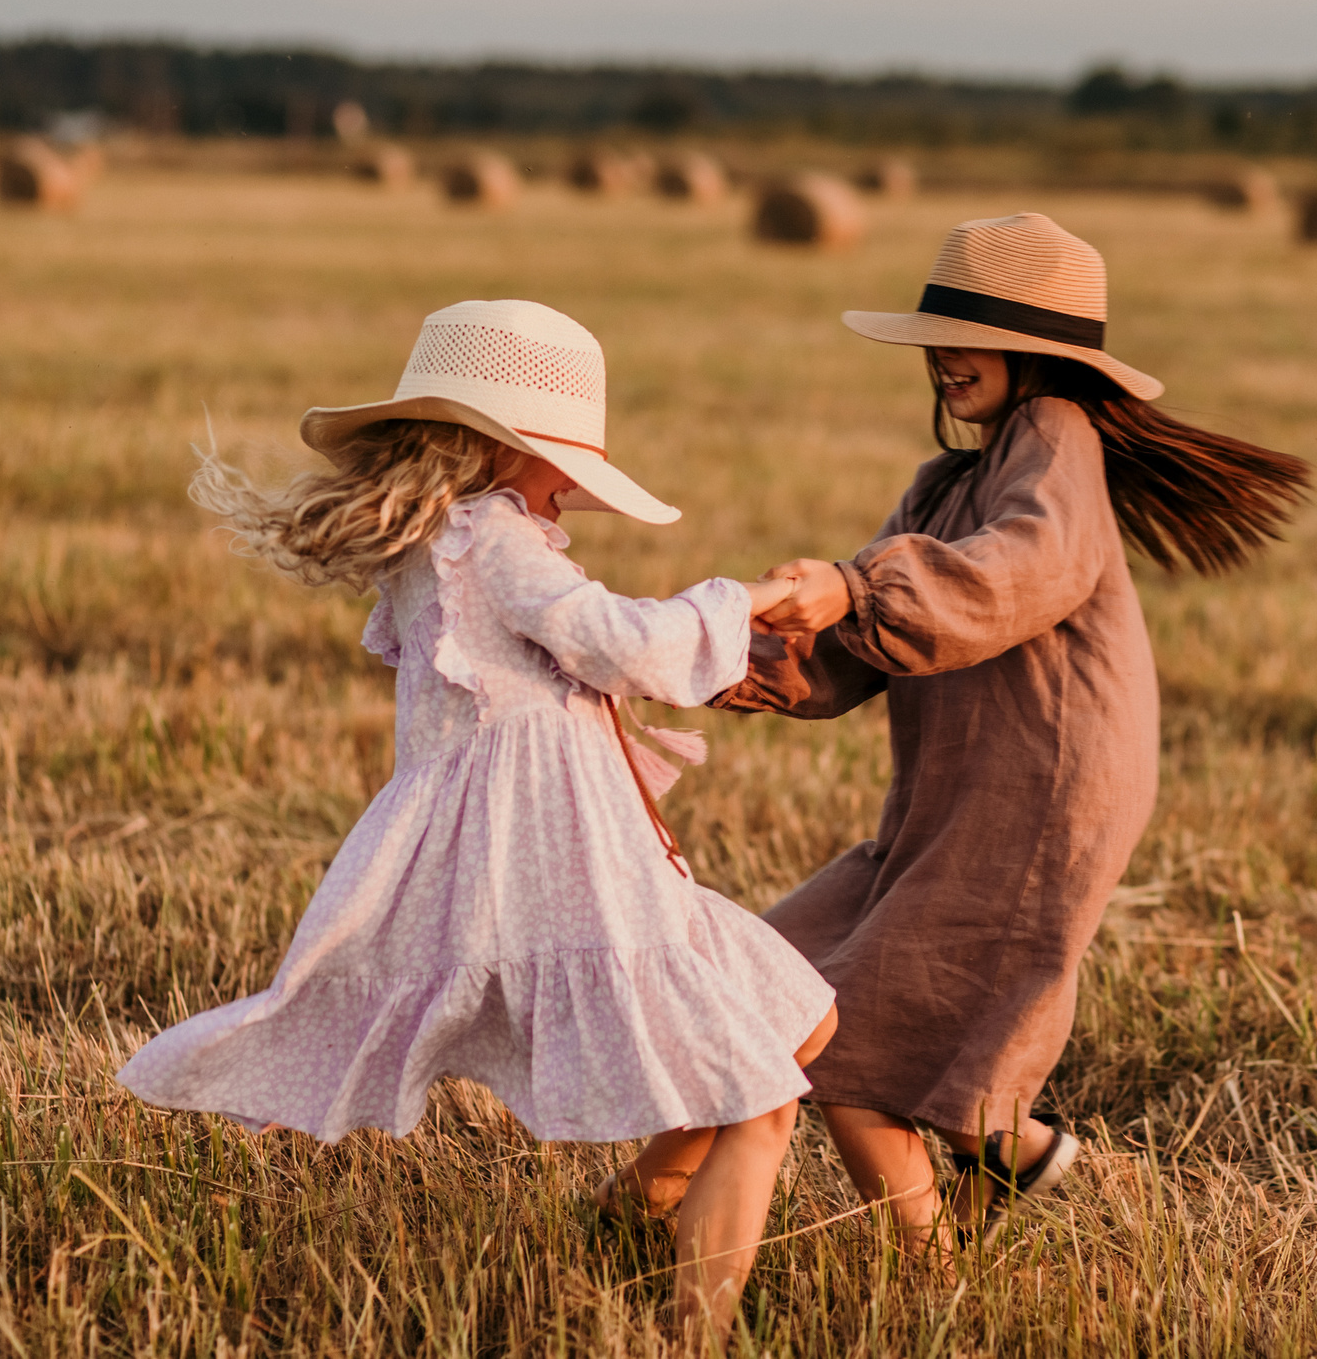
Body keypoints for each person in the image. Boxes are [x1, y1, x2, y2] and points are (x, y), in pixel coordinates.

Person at [116, 298, 838, 1340]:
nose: (570, 484)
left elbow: (546, 663)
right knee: (757, 1093)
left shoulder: (446, 541)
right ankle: (694, 1332)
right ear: (503, 448)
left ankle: (627, 1223)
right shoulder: (490, 537)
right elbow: (616, 643)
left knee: (792, 1023)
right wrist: (748, 598)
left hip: (543, 851)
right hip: (562, 858)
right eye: (558, 459)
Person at [720, 212, 1309, 1247]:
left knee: (855, 1053)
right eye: (934, 339)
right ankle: (1010, 1151)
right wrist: (766, 669)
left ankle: (932, 1281)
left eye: (968, 337)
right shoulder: (945, 484)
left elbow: (1014, 576)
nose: (944, 358)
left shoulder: (1056, 442)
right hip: (950, 805)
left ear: (1038, 355)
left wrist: (851, 584)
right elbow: (871, 640)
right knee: (767, 985)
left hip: (1042, 800)